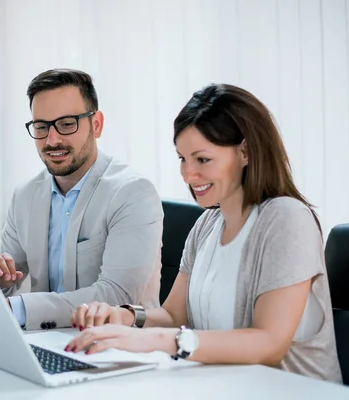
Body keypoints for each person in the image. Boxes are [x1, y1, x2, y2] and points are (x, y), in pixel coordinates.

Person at [65, 83, 342, 383]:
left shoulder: (287, 219)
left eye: (202, 159)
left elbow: (268, 344)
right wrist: (125, 316)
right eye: (182, 159)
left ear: (246, 152)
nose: (187, 174)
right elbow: (174, 317)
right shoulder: (208, 224)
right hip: (222, 388)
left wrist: (158, 341)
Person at [0, 68, 163, 331]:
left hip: (117, 347)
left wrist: (17, 308)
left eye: (67, 124)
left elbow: (117, 296)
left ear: (97, 124)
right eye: (41, 127)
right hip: (45, 339)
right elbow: (7, 271)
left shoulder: (133, 192)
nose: (52, 140)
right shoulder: (25, 195)